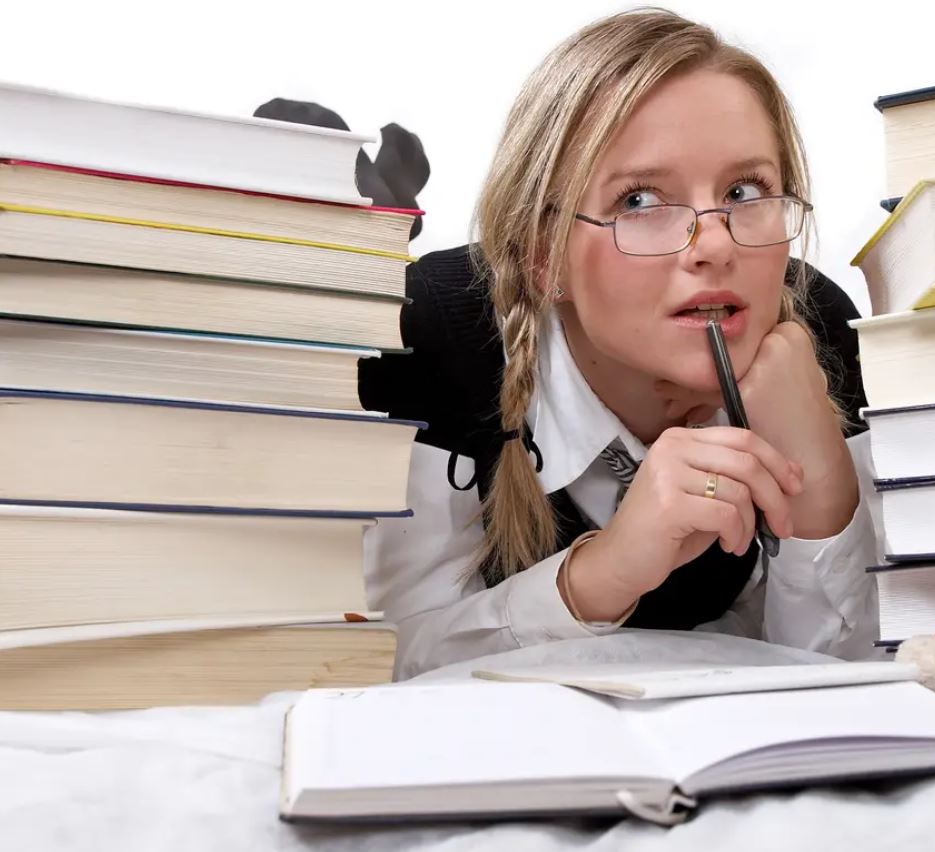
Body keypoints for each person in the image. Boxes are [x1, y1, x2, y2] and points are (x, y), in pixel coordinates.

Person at [358, 7, 879, 680]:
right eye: (639, 201)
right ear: (543, 254)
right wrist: (601, 575)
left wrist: (821, 497)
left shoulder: (823, 330)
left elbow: (852, 687)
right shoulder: (426, 333)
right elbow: (376, 664)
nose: (715, 245)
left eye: (744, 190)